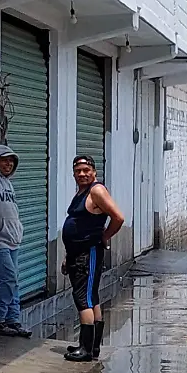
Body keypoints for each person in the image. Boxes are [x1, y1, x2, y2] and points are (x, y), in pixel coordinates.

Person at [61, 155, 125, 362]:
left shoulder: (97, 190)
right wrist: (68, 255)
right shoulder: (82, 192)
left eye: (86, 170)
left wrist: (104, 236)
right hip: (77, 253)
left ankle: (86, 349)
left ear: (94, 172)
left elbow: (118, 217)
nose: (82, 174)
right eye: (78, 171)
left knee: (83, 299)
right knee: (91, 297)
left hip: (88, 253)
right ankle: (93, 346)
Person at [0, 145, 32, 338]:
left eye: (11, 161)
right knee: (8, 278)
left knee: (14, 281)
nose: (8, 164)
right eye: (4, 160)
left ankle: (13, 320)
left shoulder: (7, 183)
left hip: (13, 239)